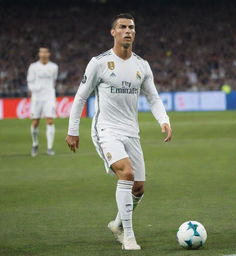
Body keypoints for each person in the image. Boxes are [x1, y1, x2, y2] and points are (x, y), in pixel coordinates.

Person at [66, 13, 172, 250]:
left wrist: (164, 120)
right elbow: (81, 97)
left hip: (131, 132)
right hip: (106, 129)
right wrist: (73, 130)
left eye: (131, 27)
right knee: (126, 173)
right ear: (113, 32)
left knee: (139, 187)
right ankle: (129, 237)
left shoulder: (142, 65)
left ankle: (117, 224)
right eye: (122, 27)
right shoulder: (99, 62)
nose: (128, 31)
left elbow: (153, 97)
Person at [27, 46, 58, 157]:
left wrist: (49, 91)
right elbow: (29, 82)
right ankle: (35, 144)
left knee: (49, 121)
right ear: (39, 54)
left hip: (49, 97)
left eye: (45, 52)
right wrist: (35, 89)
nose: (43, 54)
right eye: (41, 52)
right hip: (37, 97)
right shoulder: (33, 67)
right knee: (35, 122)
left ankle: (49, 148)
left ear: (49, 54)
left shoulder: (54, 67)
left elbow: (54, 81)